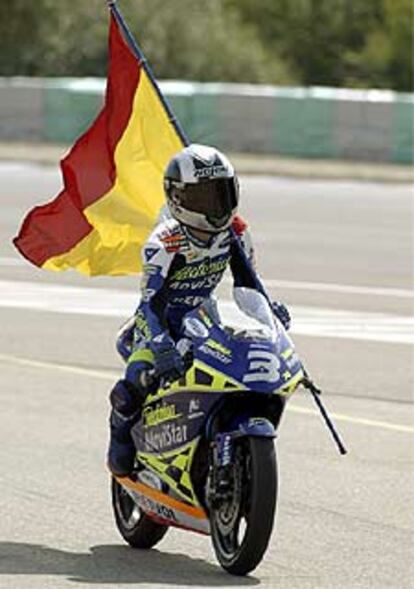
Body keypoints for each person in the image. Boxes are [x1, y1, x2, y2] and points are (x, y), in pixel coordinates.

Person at [107, 143, 291, 477]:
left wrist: (268, 314)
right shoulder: (166, 240)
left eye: (221, 193)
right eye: (205, 197)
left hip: (202, 318)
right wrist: (161, 343)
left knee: (232, 371)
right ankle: (119, 440)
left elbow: (247, 286)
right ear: (178, 198)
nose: (216, 205)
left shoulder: (235, 231)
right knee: (135, 381)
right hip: (159, 322)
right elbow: (151, 302)